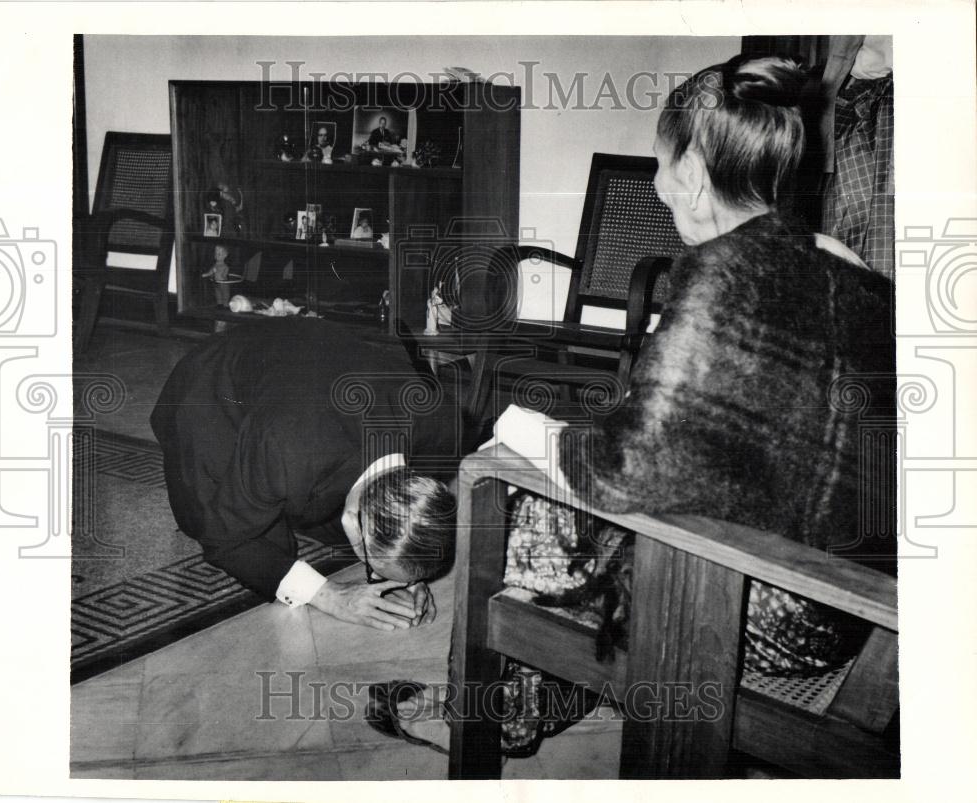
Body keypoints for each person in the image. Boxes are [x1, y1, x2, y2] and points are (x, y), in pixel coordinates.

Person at [378, 54, 895, 755]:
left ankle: (498, 715)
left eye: (659, 164)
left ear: (688, 172)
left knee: (531, 501)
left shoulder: (720, 272)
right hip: (856, 609)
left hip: (763, 599)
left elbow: (622, 475)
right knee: (581, 494)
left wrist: (536, 436)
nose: (656, 185)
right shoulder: (854, 272)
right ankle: (541, 695)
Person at [150, 317, 463, 631]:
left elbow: (415, 525)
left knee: (300, 507)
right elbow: (224, 540)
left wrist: (412, 574)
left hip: (307, 358)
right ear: (353, 519)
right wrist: (328, 596)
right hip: (212, 389)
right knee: (224, 526)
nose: (377, 578)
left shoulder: (442, 424)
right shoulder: (284, 447)